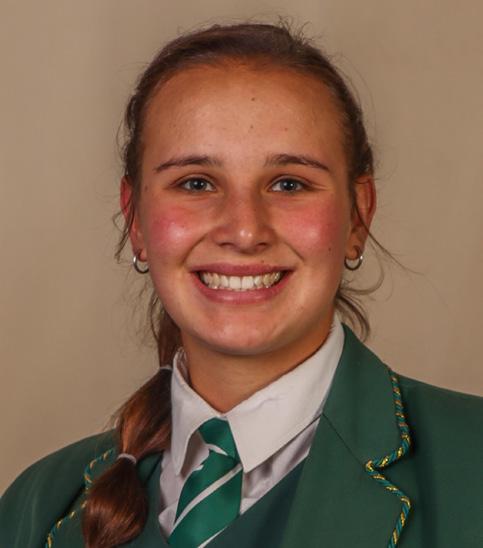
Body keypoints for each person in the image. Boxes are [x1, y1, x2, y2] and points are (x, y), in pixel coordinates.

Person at [0, 22, 482, 548]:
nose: (245, 230)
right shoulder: (39, 508)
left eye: (289, 184)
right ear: (135, 219)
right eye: (196, 183)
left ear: (358, 216)